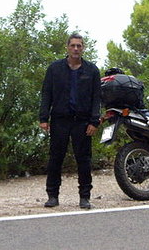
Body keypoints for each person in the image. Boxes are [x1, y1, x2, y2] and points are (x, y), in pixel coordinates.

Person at [38, 33, 101, 210]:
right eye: (72, 45)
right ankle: (52, 195)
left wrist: (94, 121)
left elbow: (97, 98)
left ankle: (84, 197)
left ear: (83, 48)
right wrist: (44, 118)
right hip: (60, 120)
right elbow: (46, 94)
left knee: (84, 160)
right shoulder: (54, 69)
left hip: (82, 122)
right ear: (67, 47)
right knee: (55, 158)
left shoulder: (92, 70)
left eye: (79, 46)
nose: (75, 49)